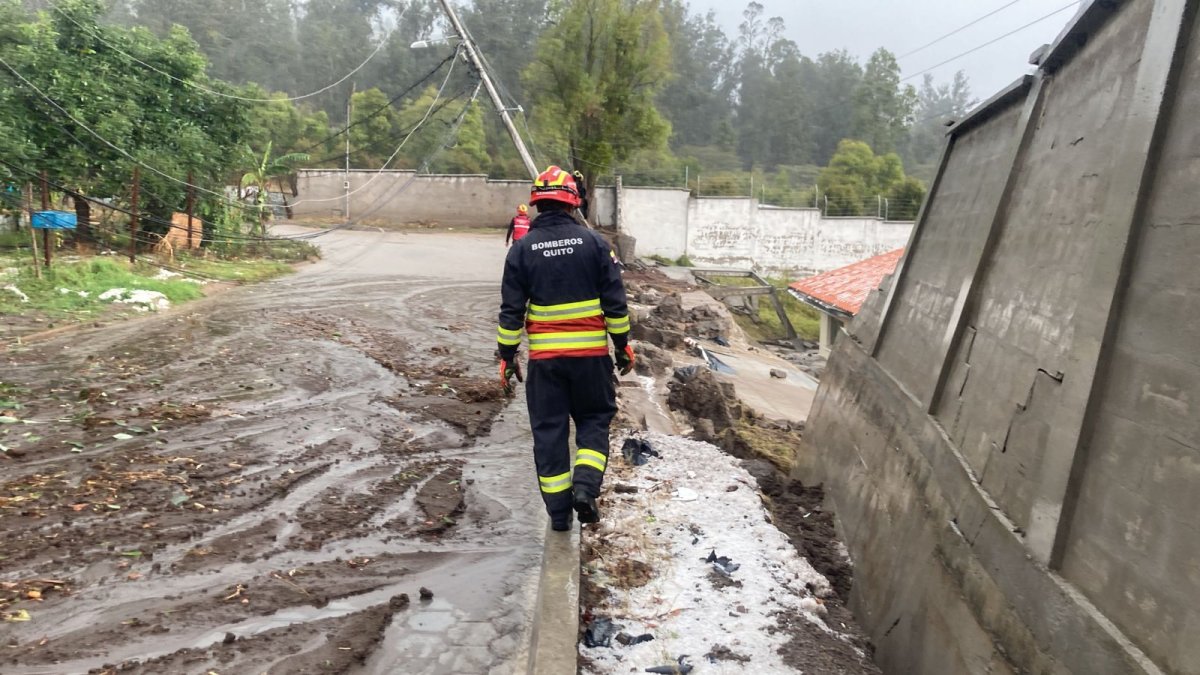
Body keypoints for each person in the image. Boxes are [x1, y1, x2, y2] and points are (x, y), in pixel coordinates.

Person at [496, 165, 635, 532]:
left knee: (549, 433)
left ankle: (559, 517)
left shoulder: (522, 250)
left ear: (537, 205)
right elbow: (616, 307)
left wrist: (507, 359)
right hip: (591, 361)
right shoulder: (595, 245)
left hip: (546, 366)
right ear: (574, 204)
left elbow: (511, 313)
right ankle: (585, 491)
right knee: (593, 421)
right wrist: (622, 347)